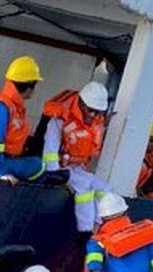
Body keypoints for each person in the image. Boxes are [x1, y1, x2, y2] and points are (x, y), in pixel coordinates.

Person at [42, 81, 111, 233]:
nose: (93, 115)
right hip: (60, 169)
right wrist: (53, 172)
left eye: (97, 112)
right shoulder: (60, 118)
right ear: (81, 102)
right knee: (85, 188)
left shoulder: (95, 121)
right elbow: (51, 147)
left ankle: (100, 228)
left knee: (105, 188)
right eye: (91, 110)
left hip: (77, 169)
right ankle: (86, 232)